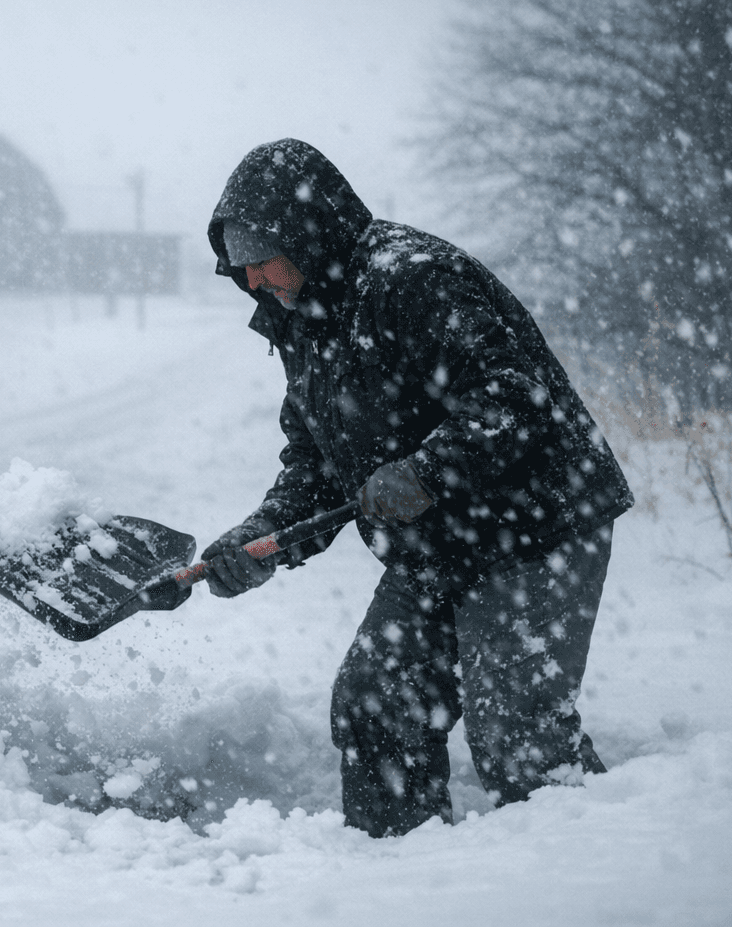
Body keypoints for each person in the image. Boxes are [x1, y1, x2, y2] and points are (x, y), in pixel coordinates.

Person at [201, 139, 634, 838]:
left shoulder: (411, 279)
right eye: (237, 260)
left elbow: (514, 396)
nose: (251, 276)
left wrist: (427, 471)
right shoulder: (300, 316)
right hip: (439, 542)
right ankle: (397, 874)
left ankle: (602, 866)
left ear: (307, 234)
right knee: (376, 703)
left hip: (536, 523)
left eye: (261, 253)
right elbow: (317, 465)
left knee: (517, 738)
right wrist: (262, 541)